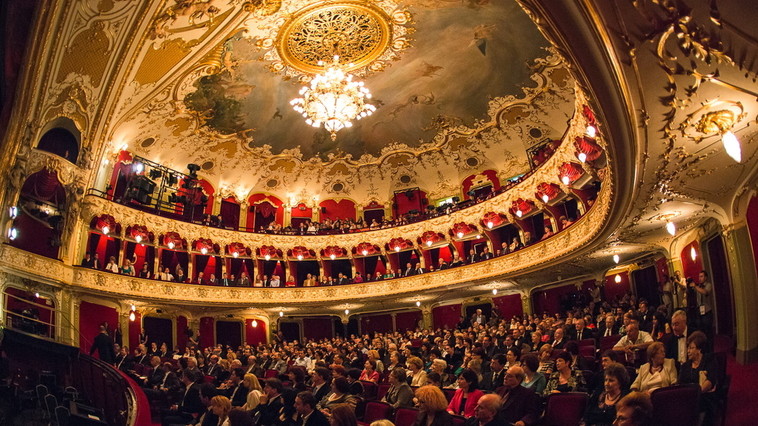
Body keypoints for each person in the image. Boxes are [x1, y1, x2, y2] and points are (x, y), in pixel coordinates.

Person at [677, 331, 719, 422]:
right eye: (687, 348)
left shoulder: (709, 360)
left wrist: (695, 394)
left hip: (705, 398)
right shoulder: (685, 366)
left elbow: (710, 382)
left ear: (699, 349)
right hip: (687, 399)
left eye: (691, 348)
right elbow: (680, 384)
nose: (688, 351)